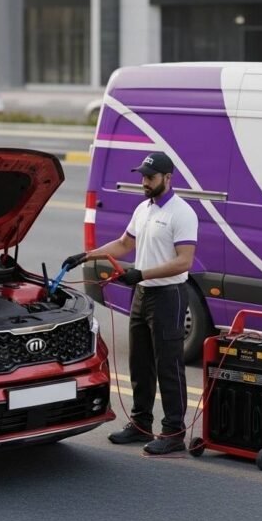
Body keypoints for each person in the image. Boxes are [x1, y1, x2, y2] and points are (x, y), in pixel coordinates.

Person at [63, 151, 197, 455]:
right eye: (143, 176)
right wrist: (85, 255)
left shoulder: (181, 213)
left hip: (168, 296)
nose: (144, 182)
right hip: (143, 294)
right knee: (140, 364)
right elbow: (124, 244)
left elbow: (183, 262)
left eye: (150, 177)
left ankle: (174, 431)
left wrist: (141, 273)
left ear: (167, 178)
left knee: (169, 366)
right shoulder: (143, 209)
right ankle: (140, 425)